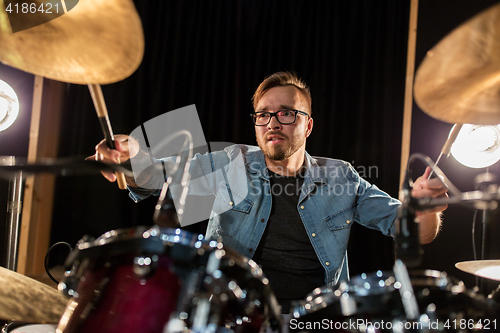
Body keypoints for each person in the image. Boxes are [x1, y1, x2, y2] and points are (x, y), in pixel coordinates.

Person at [91, 71, 448, 317]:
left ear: (308, 124)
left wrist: (426, 207)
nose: (273, 122)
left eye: (287, 113)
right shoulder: (230, 162)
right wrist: (132, 158)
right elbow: (158, 175)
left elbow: (416, 230)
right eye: (263, 114)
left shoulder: (342, 176)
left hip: (315, 316)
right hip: (235, 312)